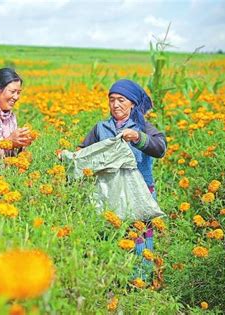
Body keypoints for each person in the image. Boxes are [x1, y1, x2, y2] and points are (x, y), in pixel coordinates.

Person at [79, 79, 167, 281]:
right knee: (110, 234)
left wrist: (137, 137)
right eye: (112, 100)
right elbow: (85, 151)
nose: (116, 105)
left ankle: (140, 281)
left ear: (133, 104)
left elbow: (160, 148)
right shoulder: (101, 128)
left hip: (139, 190)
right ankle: (112, 279)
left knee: (138, 235)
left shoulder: (143, 126)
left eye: (121, 100)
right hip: (109, 190)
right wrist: (70, 156)